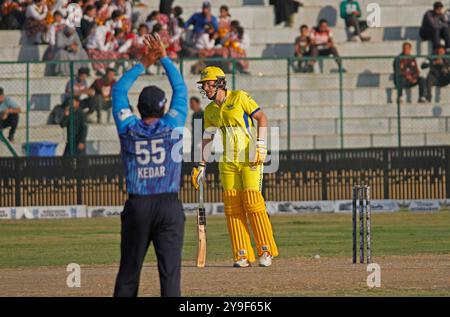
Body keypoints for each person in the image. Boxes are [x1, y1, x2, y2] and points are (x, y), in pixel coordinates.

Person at [112, 34, 188, 297]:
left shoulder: (128, 128)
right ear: (163, 106)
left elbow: (118, 90)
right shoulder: (172, 126)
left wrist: (143, 62)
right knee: (170, 274)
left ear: (138, 108)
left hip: (138, 205)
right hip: (168, 205)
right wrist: (164, 57)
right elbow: (181, 89)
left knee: (129, 272)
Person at [192, 66, 278, 268]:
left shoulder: (239, 97)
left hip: (250, 158)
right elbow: (207, 137)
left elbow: (261, 118)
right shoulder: (211, 111)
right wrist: (201, 165)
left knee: (253, 202)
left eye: (208, 83)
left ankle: (265, 250)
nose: (205, 87)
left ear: (220, 82)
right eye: (203, 84)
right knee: (232, 207)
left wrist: (261, 145)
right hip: (227, 161)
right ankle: (241, 253)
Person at [190, 96, 204, 161]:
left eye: (192, 103)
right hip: (195, 142)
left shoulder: (203, 115)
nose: (191, 105)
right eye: (190, 104)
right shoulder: (194, 115)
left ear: (198, 103)